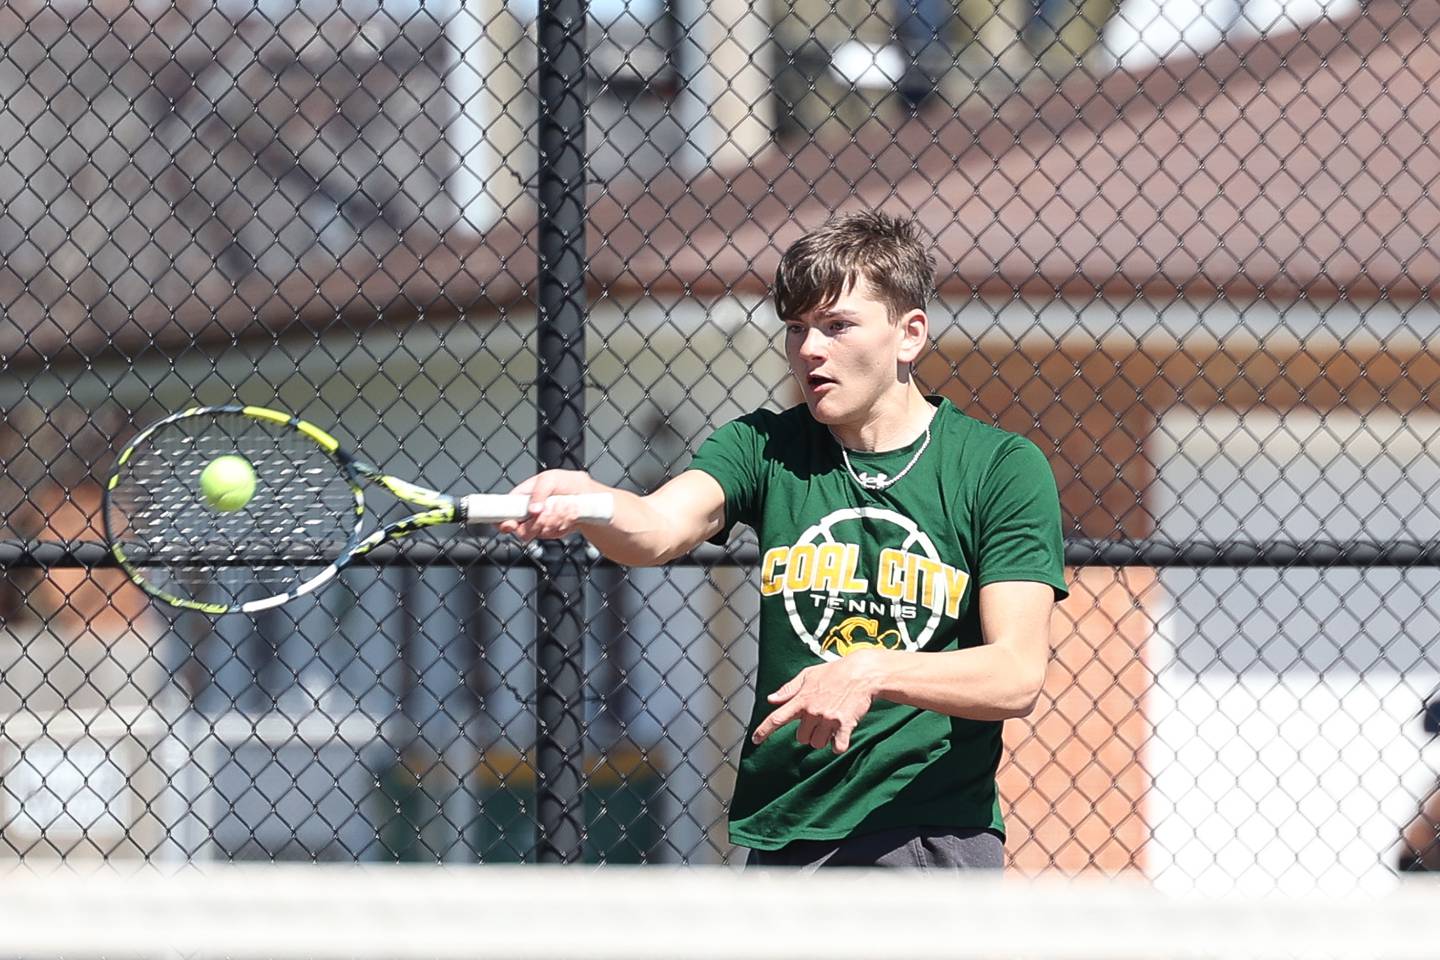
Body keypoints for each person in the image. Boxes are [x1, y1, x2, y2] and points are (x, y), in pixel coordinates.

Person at [500, 210, 1068, 869]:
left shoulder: (998, 467)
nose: (809, 350)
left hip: (923, 830)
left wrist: (871, 671)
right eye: (796, 329)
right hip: (783, 832)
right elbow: (657, 529)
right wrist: (591, 502)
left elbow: (1016, 673)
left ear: (909, 335)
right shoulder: (763, 446)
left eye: (837, 325)